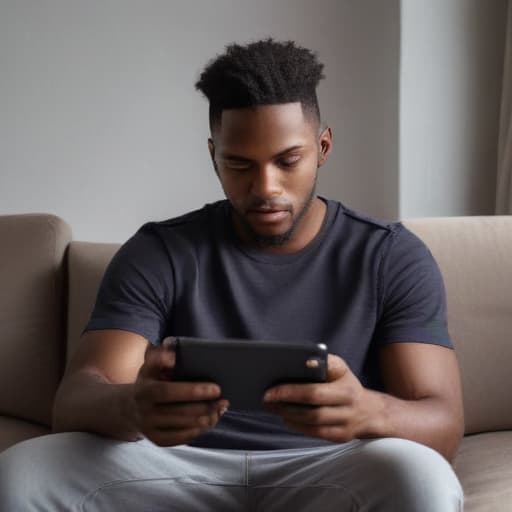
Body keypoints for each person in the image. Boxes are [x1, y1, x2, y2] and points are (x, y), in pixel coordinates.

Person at [0, 39, 464, 511]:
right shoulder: (160, 251)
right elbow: (75, 399)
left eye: (288, 161)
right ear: (213, 155)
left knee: (423, 479)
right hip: (177, 468)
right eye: (240, 164)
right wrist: (132, 406)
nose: (266, 187)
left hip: (329, 466)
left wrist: (368, 410)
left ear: (323, 146)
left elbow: (443, 422)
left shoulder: (390, 255)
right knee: (24, 472)